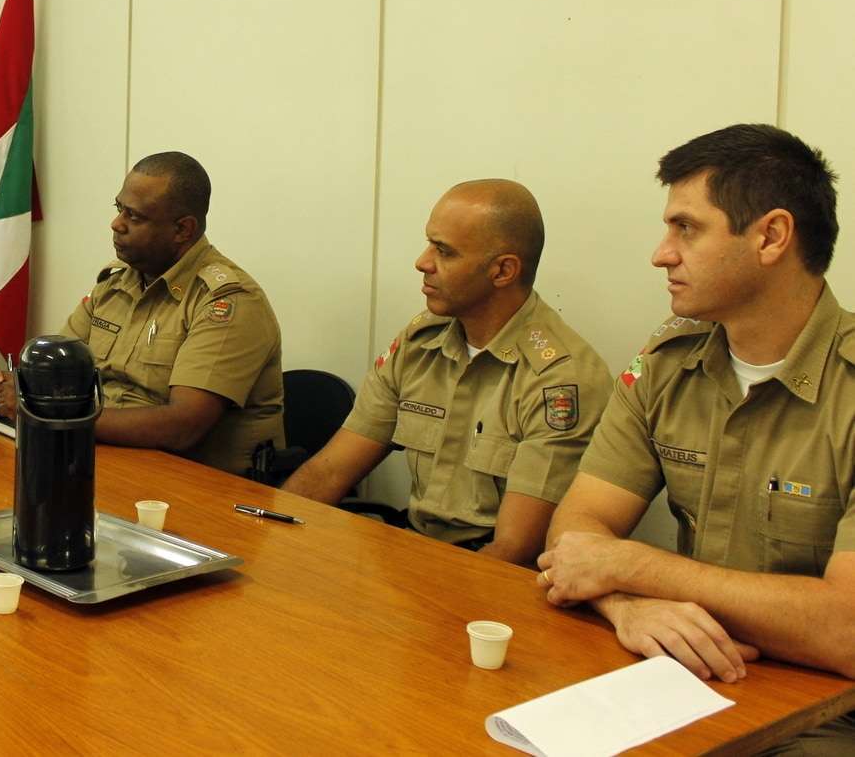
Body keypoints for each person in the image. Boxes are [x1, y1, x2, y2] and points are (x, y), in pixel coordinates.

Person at [538, 125, 855, 749]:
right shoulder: (666, 364)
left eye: (687, 228)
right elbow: (575, 540)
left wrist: (632, 565)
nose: (662, 253)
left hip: (825, 711)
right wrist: (627, 607)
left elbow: (847, 630)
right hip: (683, 679)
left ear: (771, 236)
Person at [282, 180, 611, 566]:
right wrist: (270, 534)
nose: (422, 262)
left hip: (494, 584)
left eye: (444, 251)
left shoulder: (557, 379)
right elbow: (328, 473)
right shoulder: (421, 343)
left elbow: (514, 551)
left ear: (503, 270)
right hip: (415, 556)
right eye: (429, 244)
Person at [0, 151, 284, 476]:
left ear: (183, 229)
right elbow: (55, 371)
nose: (116, 224)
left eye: (135, 217)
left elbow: (183, 426)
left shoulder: (227, 301)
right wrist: (6, 385)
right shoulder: (116, 283)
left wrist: (46, 415)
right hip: (109, 461)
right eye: (119, 209)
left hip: (200, 486)